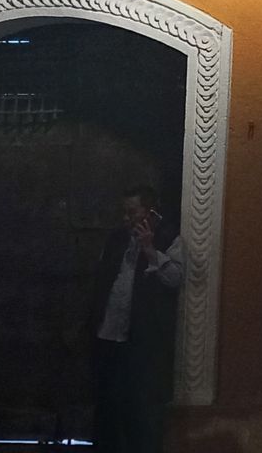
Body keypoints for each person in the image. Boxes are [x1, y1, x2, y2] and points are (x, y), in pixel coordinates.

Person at [91, 185, 184, 453]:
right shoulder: (116, 239)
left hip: (143, 340)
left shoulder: (169, 238)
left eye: (132, 212)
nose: (126, 218)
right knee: (109, 404)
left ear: (150, 212)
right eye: (124, 212)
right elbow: (103, 279)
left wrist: (149, 249)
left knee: (140, 406)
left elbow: (176, 278)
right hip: (109, 336)